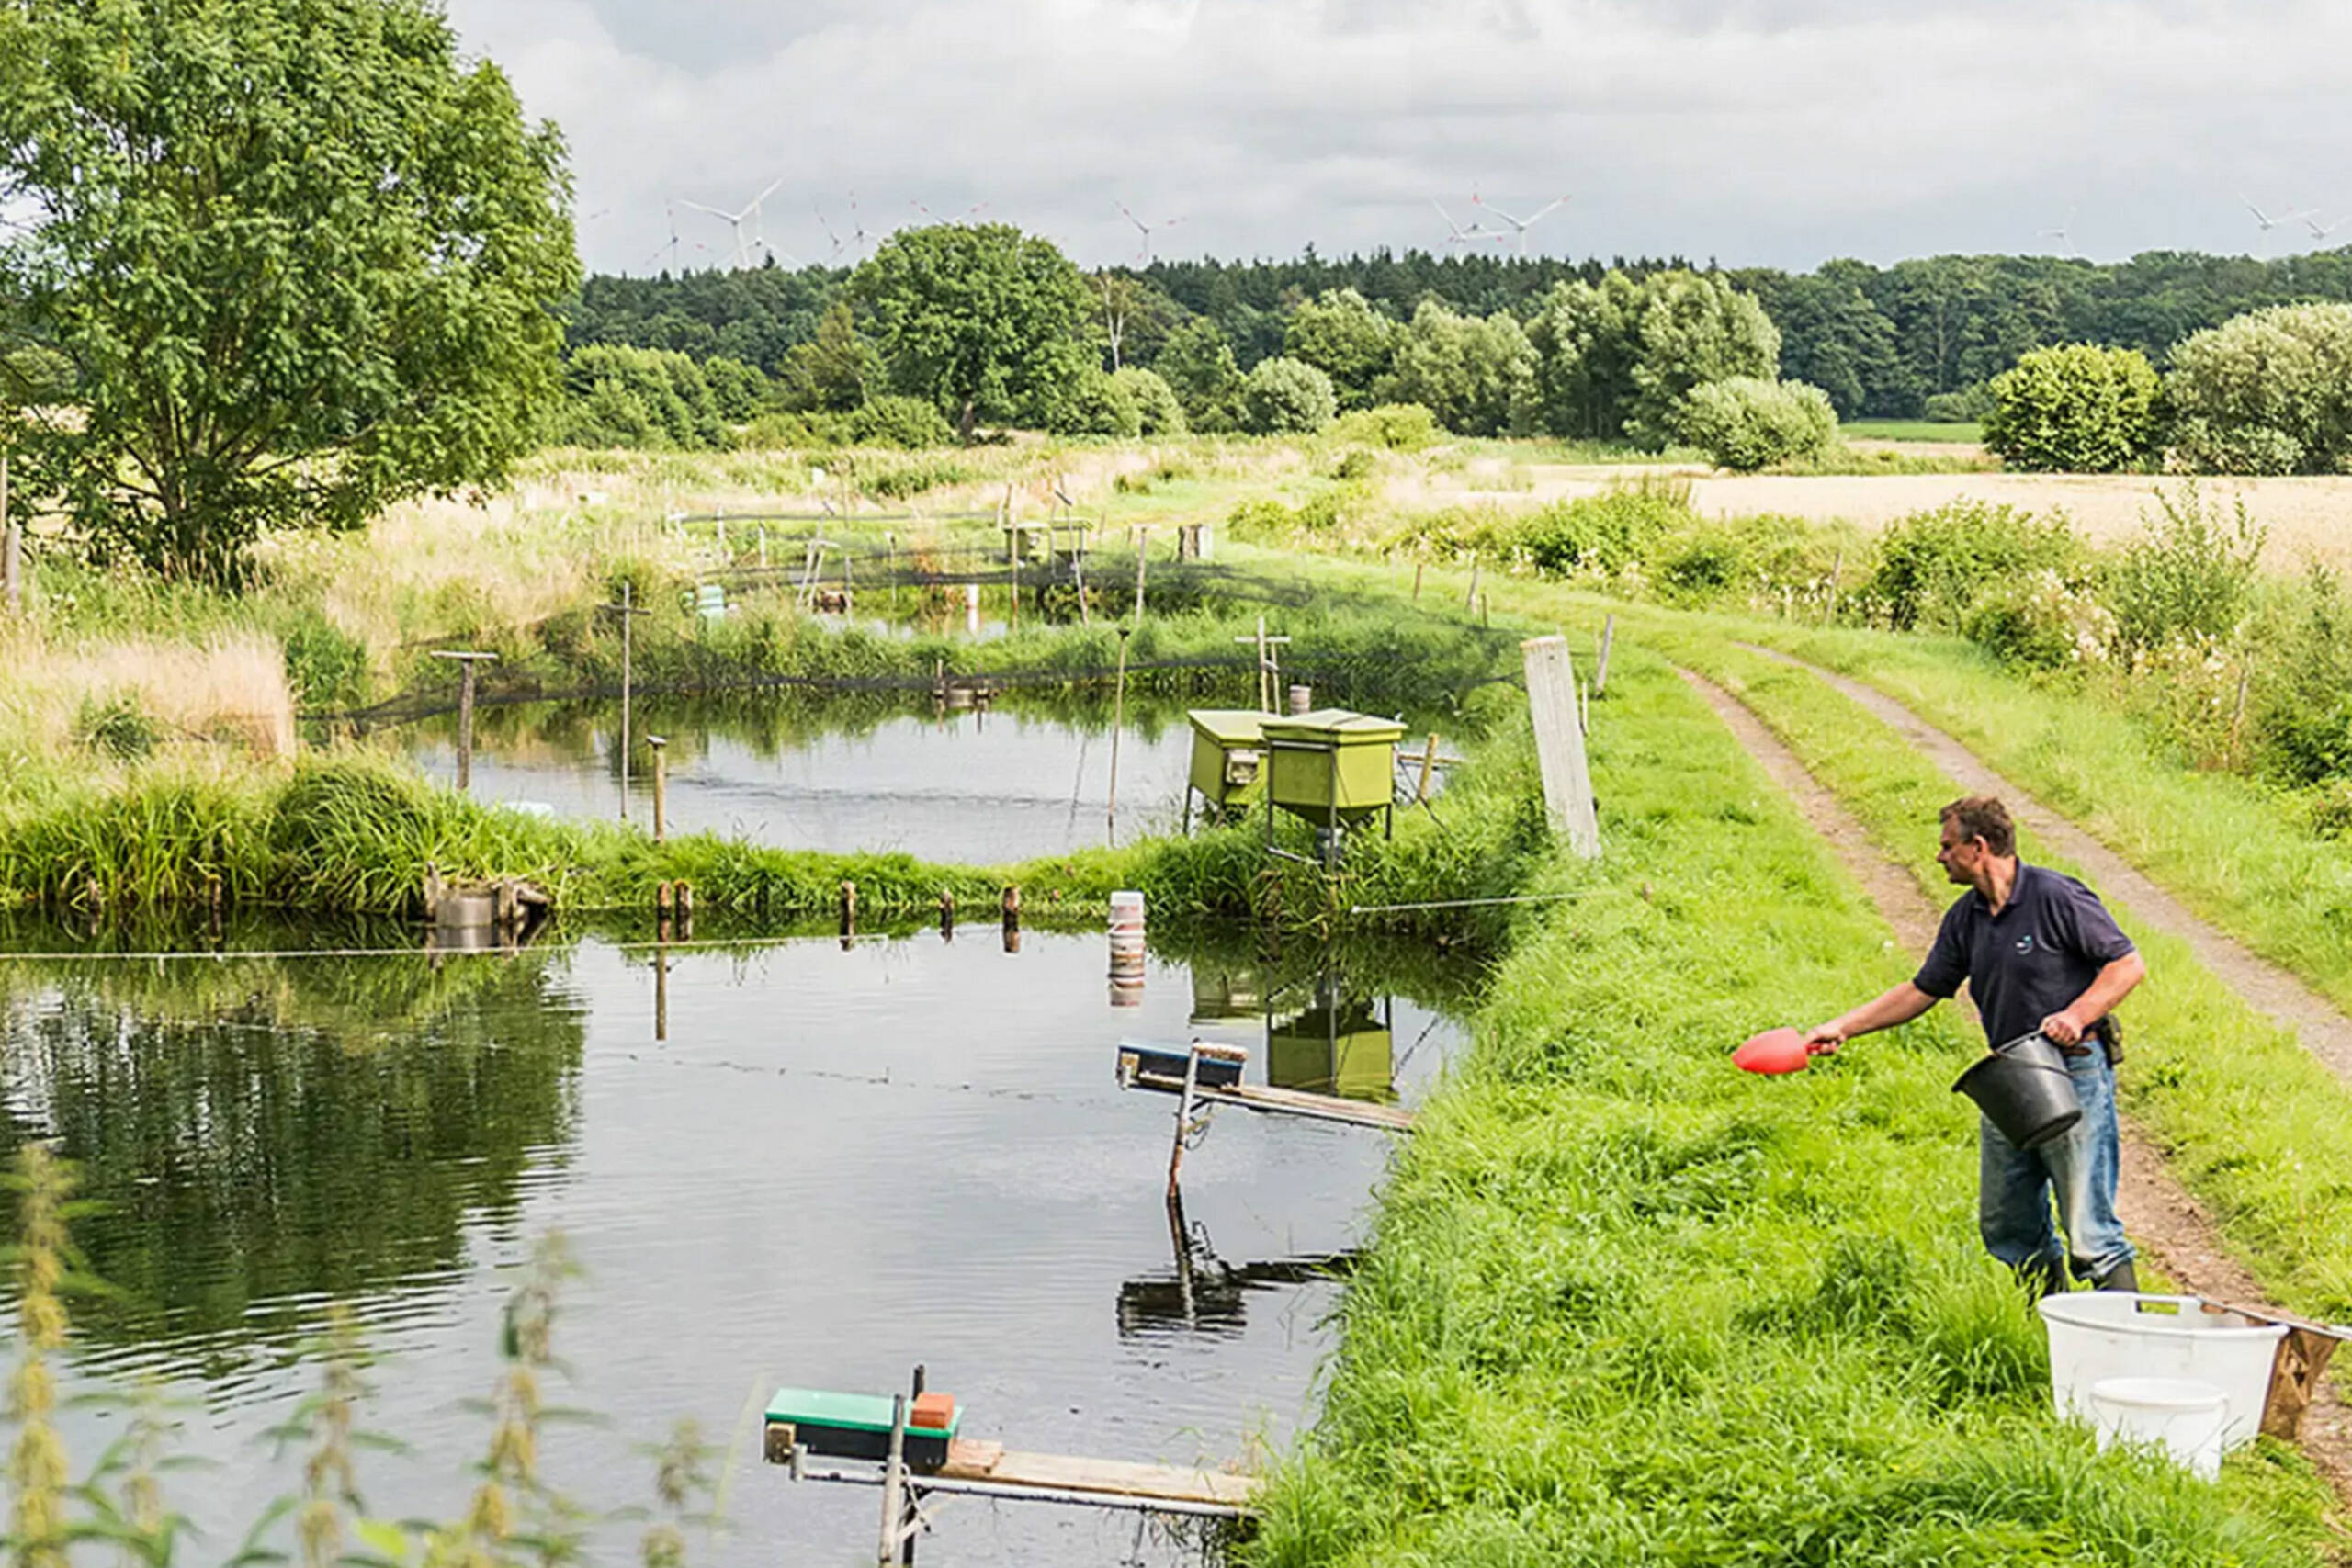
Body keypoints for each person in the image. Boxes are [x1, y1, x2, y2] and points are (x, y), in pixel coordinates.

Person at [1803, 795, 2146, 1296]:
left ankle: (2125, 1349)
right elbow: (1922, 990)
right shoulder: (1967, 918)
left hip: (2074, 1073)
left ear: (1978, 846)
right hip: (2011, 1079)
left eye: (1947, 846)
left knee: (2090, 1231)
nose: (1939, 856)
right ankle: (2049, 1323)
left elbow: (2127, 964)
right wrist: (1842, 1027)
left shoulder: (2056, 897)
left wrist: (2076, 1015)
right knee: (2007, 1224)